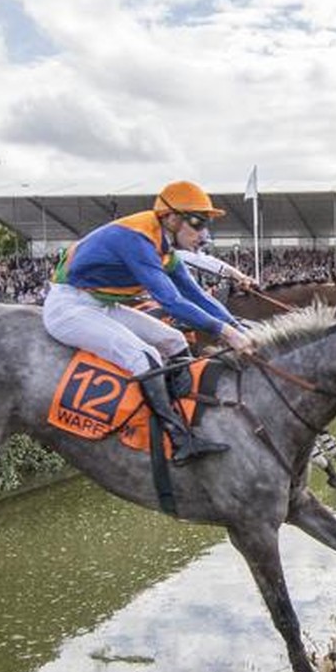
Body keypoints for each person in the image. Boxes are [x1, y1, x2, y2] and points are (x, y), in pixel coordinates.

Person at [43, 180, 256, 464]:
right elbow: (172, 303)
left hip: (100, 304)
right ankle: (178, 441)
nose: (203, 234)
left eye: (205, 224)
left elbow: (196, 295)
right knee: (145, 356)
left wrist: (238, 327)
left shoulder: (164, 247)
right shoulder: (138, 239)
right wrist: (227, 333)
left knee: (175, 340)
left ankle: (184, 412)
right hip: (68, 307)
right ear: (170, 218)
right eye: (197, 223)